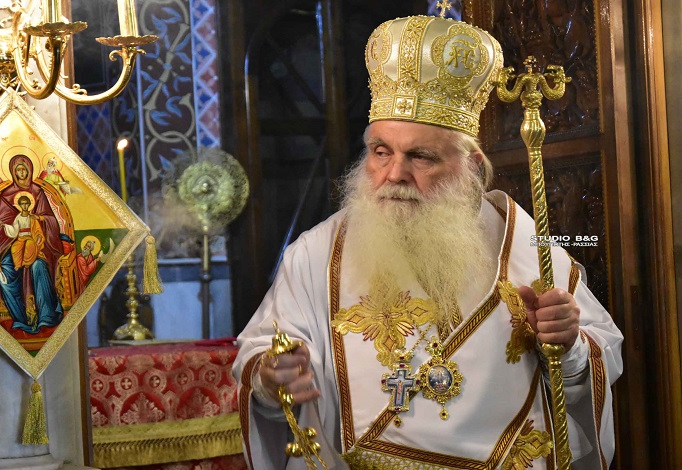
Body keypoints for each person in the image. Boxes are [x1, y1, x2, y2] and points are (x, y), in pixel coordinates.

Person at [233, 15, 623, 470]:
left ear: (471, 166)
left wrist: (567, 346)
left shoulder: (532, 251)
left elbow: (594, 364)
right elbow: (262, 357)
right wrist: (271, 377)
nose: (394, 174)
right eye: (381, 152)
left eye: (420, 156)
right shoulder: (315, 256)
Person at [0, 155, 66, 333]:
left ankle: (46, 316)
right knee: (5, 273)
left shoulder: (38, 192)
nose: (21, 173)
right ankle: (21, 318)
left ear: (29, 170)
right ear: (13, 171)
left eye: (24, 169)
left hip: (39, 245)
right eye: (18, 170)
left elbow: (51, 221)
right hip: (13, 246)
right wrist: (8, 232)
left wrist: (39, 219)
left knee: (38, 266)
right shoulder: (6, 196)